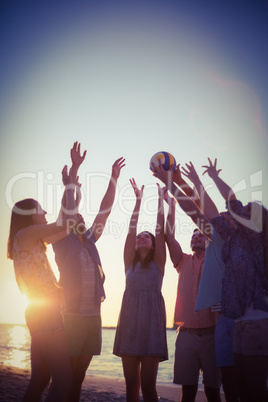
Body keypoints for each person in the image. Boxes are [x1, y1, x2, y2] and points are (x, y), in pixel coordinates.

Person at [7, 142, 83, 402]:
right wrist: (70, 182)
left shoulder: (31, 239)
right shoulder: (26, 235)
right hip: (46, 312)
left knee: (40, 378)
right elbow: (67, 221)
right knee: (64, 379)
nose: (45, 212)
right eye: (41, 209)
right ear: (29, 215)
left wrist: (72, 181)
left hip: (39, 311)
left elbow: (67, 222)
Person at [52, 150, 125, 402]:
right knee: (67, 374)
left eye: (82, 216)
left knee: (79, 376)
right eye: (76, 216)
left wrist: (113, 178)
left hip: (93, 317)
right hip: (70, 317)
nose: (81, 217)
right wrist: (73, 172)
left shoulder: (91, 241)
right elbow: (69, 208)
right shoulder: (62, 242)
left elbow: (105, 210)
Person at [152, 162, 221, 402]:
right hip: (187, 335)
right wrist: (168, 204)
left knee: (213, 390)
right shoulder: (182, 261)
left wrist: (179, 182)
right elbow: (168, 235)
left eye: (200, 234)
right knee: (187, 391)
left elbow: (201, 213)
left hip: (213, 333)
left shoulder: (215, 256)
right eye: (193, 234)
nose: (197, 235)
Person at [202, 158, 268, 402]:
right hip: (239, 321)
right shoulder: (234, 238)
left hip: (258, 322)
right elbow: (211, 215)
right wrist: (196, 182)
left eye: (246, 212)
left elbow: (231, 202)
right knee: (238, 386)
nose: (239, 214)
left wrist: (214, 177)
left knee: (254, 389)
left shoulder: (254, 236)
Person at [113, 179, 168, 402]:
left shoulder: (159, 263)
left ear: (153, 245)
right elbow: (131, 229)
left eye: (145, 237)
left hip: (152, 324)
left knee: (148, 385)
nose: (140, 238)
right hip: (129, 323)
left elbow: (160, 230)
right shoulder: (129, 263)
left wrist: (160, 200)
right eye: (138, 238)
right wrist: (138, 201)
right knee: (131, 384)